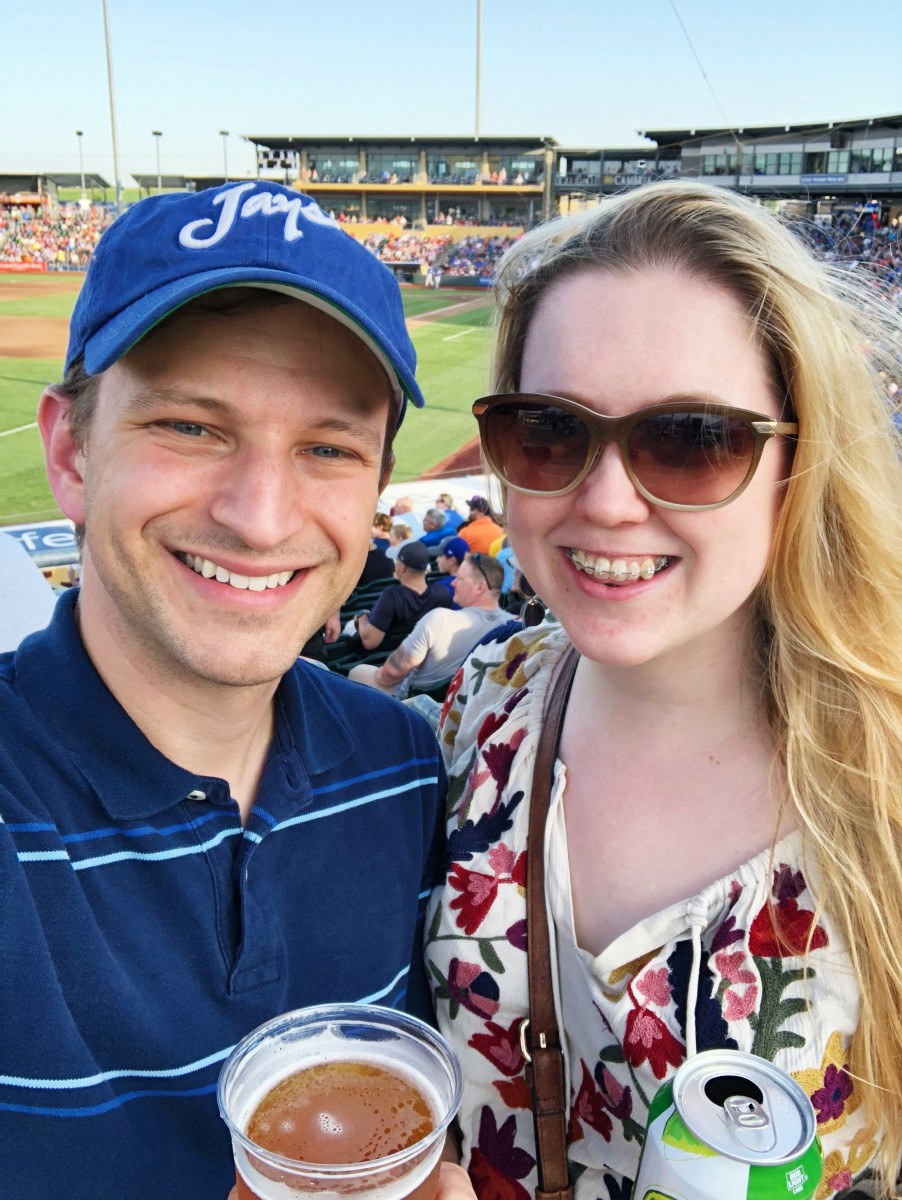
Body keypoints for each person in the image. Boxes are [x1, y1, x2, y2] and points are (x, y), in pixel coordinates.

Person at [425, 182, 902, 1200]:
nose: (603, 503)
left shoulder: (885, 772)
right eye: (548, 431)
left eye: (690, 441)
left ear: (798, 458)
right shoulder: (481, 703)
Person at [0, 181, 473, 1200]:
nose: (259, 519)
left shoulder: (403, 766)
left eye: (326, 448)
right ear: (72, 453)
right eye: (190, 427)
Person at [349, 553, 507, 697]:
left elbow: (388, 676)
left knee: (357, 671)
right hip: (467, 702)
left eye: (459, 578)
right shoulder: (515, 624)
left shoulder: (440, 619)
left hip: (414, 703)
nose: (452, 583)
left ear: (480, 587)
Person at [354, 539, 450, 650]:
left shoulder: (392, 596)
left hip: (384, 658)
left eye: (397, 560)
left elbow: (370, 642)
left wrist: (361, 615)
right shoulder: (442, 593)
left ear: (402, 567)